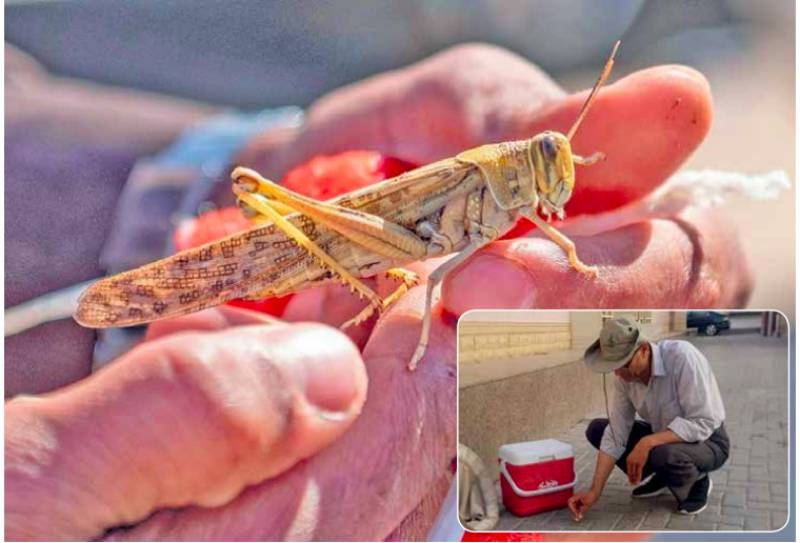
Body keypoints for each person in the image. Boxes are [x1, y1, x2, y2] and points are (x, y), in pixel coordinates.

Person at [6, 40, 750, 540]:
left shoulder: (512, 189)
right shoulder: (478, 182)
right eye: (548, 160)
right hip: (338, 235)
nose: (562, 170)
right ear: (516, 168)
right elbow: (431, 254)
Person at [568, 317, 730, 521]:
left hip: (709, 440)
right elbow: (616, 434)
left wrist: (647, 443)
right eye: (612, 366)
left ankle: (698, 480)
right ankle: (663, 477)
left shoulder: (682, 356)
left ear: (644, 349)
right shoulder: (624, 378)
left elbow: (703, 421)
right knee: (598, 429)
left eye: (623, 364)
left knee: (663, 453)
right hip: (665, 437)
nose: (618, 373)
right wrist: (594, 492)